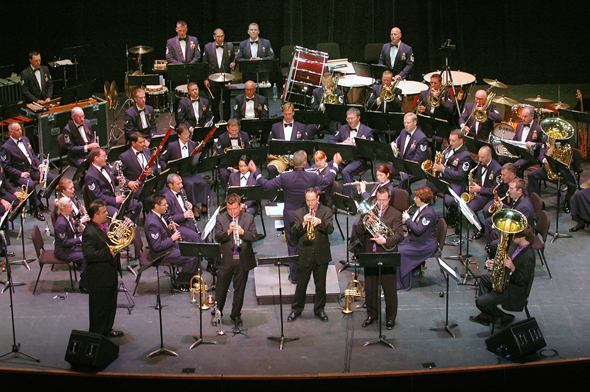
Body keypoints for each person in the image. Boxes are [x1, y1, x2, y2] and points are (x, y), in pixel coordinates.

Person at [249, 150, 342, 282]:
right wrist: (336, 164)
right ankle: (309, 272)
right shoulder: (312, 176)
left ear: (293, 162)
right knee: (307, 243)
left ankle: (295, 275)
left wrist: (256, 171)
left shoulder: (285, 177)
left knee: (292, 245)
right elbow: (328, 180)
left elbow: (267, 185)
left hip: (290, 215)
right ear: (305, 162)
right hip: (307, 214)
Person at [353, 187, 403, 329]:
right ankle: (372, 315)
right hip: (370, 255)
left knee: (389, 290)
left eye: (384, 200)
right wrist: (365, 225)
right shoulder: (369, 212)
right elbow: (357, 231)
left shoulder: (396, 214)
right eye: (379, 200)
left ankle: (390, 318)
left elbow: (400, 235)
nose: (381, 203)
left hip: (388, 255)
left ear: (389, 199)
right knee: (370, 288)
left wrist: (385, 241)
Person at [469, 224, 535, 329]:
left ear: (523, 237)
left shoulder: (529, 256)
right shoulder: (515, 245)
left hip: (513, 290)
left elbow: (522, 280)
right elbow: (505, 262)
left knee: (480, 302)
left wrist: (513, 268)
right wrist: (494, 263)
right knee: (484, 279)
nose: (512, 237)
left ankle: (504, 317)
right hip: (507, 280)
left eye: (515, 235)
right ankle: (486, 315)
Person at [287, 187, 334, 322]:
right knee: (301, 285)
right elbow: (294, 233)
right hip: (304, 254)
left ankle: (319, 309)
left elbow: (330, 229)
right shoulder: (299, 212)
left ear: (318, 198)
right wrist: (303, 223)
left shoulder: (326, 211)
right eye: (308, 200)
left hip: (321, 253)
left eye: (312, 200)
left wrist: (320, 222)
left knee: (321, 285)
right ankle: (296, 309)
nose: (310, 203)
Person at [213, 193, 258, 326]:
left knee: (239, 290)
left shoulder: (249, 218)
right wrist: (227, 232)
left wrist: (243, 232)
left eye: (235, 209)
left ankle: (236, 314)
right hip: (226, 260)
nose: (232, 212)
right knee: (221, 289)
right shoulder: (221, 219)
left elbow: (254, 236)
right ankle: (217, 313)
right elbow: (218, 238)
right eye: (229, 209)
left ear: (240, 206)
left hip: (242, 260)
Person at [82, 200, 124, 337]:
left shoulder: (104, 226)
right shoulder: (89, 232)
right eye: (104, 212)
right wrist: (110, 252)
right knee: (99, 307)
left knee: (110, 305)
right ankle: (97, 335)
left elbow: (111, 241)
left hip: (110, 272)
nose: (107, 213)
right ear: (95, 215)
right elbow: (89, 255)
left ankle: (107, 329)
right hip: (99, 276)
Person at [144, 194, 200, 292]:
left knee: (193, 248)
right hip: (162, 253)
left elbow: (161, 231)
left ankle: (191, 276)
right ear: (156, 206)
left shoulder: (157, 215)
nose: (167, 206)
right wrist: (172, 239)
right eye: (164, 204)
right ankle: (180, 282)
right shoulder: (151, 223)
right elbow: (157, 246)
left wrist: (168, 227)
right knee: (192, 256)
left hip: (168, 246)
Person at [1, 122, 56, 221]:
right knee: (30, 185)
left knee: (52, 178)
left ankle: (39, 198)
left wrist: (39, 165)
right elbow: (6, 167)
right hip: (20, 174)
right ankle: (36, 209)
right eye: (17, 130)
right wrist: (20, 173)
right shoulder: (6, 147)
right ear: (11, 132)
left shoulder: (25, 139)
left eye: (20, 129)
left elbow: (33, 155)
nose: (20, 131)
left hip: (32, 169)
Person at [159, 124, 210, 217]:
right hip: (180, 174)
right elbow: (162, 159)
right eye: (185, 134)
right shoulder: (172, 146)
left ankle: (204, 204)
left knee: (203, 183)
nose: (187, 136)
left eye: (188, 134)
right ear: (179, 135)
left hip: (191, 171)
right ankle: (193, 207)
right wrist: (168, 171)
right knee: (190, 185)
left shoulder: (192, 143)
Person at [426, 129, 472, 227]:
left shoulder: (466, 155)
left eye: (453, 141)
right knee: (423, 190)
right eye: (450, 140)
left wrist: (444, 170)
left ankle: (453, 218)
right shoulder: (448, 150)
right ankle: (426, 214)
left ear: (461, 140)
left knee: (449, 201)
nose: (450, 143)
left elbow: (461, 175)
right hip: (442, 180)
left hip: (455, 183)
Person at [84, 148, 143, 223]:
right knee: (118, 214)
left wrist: (117, 180)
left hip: (112, 198)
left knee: (137, 205)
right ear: (96, 158)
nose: (106, 158)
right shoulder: (90, 176)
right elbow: (97, 197)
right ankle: (121, 229)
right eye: (104, 156)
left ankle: (130, 227)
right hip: (102, 204)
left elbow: (109, 182)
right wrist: (115, 200)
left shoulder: (105, 167)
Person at [397, 187, 438, 290]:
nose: (414, 199)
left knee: (400, 252)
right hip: (417, 240)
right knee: (396, 245)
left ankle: (403, 283)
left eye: (416, 197)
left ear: (422, 199)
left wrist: (407, 220)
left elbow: (418, 230)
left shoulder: (428, 214)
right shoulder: (420, 208)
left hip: (425, 245)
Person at [329, 107, 374, 198]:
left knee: (346, 172)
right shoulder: (343, 128)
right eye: (348, 118)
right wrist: (342, 143)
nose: (350, 121)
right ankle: (329, 195)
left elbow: (370, 149)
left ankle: (348, 200)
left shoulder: (367, 131)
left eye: (352, 118)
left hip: (358, 159)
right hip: (344, 158)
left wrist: (356, 144)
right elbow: (331, 141)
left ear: (358, 118)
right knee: (328, 166)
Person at [484, 178, 536, 254]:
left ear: (519, 191)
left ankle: (496, 255)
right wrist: (502, 205)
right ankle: (493, 252)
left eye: (511, 189)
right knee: (491, 226)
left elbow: (518, 228)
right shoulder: (518, 199)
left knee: (494, 243)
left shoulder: (524, 207)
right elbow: (513, 210)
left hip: (521, 236)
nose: (508, 191)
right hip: (516, 228)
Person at [527, 135, 576, 213]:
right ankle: (537, 202)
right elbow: (541, 155)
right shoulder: (546, 139)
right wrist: (545, 160)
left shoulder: (564, 138)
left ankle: (567, 200)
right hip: (549, 167)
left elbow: (568, 153)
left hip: (563, 167)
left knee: (573, 185)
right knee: (531, 175)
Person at [54, 197, 88, 292]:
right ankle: (84, 285)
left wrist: (78, 230)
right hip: (63, 251)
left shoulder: (67, 216)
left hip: (69, 247)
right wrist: (79, 239)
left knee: (88, 251)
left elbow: (71, 231)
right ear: (63, 209)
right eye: (70, 207)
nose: (72, 209)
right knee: (86, 256)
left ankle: (87, 277)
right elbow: (64, 243)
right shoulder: (61, 223)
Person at [469, 146, 502, 240]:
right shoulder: (480, 164)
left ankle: (491, 234)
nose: (479, 159)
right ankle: (479, 228)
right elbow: (480, 179)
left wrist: (480, 189)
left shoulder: (497, 169)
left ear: (490, 156)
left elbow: (496, 190)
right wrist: (474, 186)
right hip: (482, 194)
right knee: (470, 207)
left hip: (492, 197)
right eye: (479, 156)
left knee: (486, 210)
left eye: (482, 157)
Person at [118, 132, 160, 207]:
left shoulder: (147, 151)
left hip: (150, 183)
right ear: (133, 143)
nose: (143, 144)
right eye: (140, 142)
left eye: (144, 141)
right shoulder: (125, 157)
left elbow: (154, 166)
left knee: (167, 192)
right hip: (138, 187)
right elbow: (118, 174)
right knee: (152, 200)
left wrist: (151, 171)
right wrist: (128, 182)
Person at [389, 112, 429, 192]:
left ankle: (400, 198)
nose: (406, 125)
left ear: (415, 122)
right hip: (402, 164)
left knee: (404, 178)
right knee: (384, 170)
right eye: (404, 122)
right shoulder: (403, 131)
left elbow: (418, 159)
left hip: (414, 168)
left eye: (408, 123)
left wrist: (404, 169)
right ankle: (386, 193)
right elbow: (397, 141)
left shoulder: (421, 138)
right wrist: (394, 143)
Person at [498, 106, 543, 175]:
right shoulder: (519, 125)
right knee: (500, 159)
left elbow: (543, 144)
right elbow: (515, 139)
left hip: (529, 156)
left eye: (525, 117)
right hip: (518, 153)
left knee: (516, 166)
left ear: (532, 116)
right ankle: (502, 180)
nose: (523, 119)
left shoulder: (538, 128)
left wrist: (534, 144)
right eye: (522, 116)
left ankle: (517, 183)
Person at [203, 28, 236, 122]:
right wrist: (205, 79)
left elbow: (233, 60)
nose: (220, 38)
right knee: (214, 101)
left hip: (226, 78)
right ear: (214, 37)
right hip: (213, 78)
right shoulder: (208, 47)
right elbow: (205, 65)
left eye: (222, 36)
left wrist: (233, 64)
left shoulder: (230, 46)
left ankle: (227, 121)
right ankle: (215, 122)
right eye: (218, 36)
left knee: (227, 101)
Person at [267, 102, 307, 178]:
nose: (287, 116)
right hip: (281, 159)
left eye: (289, 114)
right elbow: (270, 144)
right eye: (285, 114)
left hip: (297, 159)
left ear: (293, 113)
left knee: (308, 169)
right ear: (282, 113)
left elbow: (306, 146)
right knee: (271, 168)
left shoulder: (301, 127)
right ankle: (275, 189)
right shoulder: (275, 127)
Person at [161, 173, 203, 243]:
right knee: (196, 237)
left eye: (181, 183)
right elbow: (166, 218)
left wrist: (188, 205)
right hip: (177, 225)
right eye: (178, 184)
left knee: (203, 233)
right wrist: (183, 216)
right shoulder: (166, 198)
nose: (181, 185)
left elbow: (183, 205)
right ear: (170, 185)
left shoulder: (182, 190)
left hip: (187, 221)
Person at [215, 118, 252, 188]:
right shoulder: (222, 138)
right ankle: (228, 192)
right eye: (232, 130)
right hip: (227, 164)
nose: (235, 133)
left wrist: (242, 166)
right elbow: (221, 156)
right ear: (227, 128)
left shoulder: (244, 135)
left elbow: (249, 151)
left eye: (236, 130)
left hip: (243, 163)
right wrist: (231, 168)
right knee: (224, 174)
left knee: (255, 170)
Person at [307, 72, 344, 139]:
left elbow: (341, 108)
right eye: (324, 82)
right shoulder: (316, 92)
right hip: (319, 119)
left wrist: (331, 99)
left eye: (328, 82)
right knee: (308, 130)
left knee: (340, 132)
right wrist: (322, 105)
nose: (326, 85)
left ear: (332, 81)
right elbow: (312, 107)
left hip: (332, 120)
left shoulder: (339, 93)